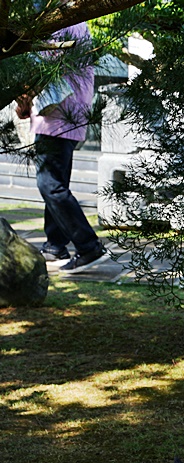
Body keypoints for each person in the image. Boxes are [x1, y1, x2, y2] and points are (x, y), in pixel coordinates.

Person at [16, 21, 107, 274]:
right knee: (57, 183)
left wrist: (23, 98)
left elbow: (41, 69)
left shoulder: (60, 24)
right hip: (71, 115)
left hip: (57, 116)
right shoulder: (79, 24)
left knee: (49, 184)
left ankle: (89, 246)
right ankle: (55, 245)